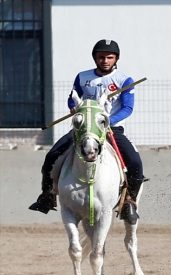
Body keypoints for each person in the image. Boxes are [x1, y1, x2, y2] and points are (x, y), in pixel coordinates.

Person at [29, 39, 144, 225]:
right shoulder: (82, 77)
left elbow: (127, 108)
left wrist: (107, 122)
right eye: (101, 57)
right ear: (95, 58)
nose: (105, 60)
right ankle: (47, 196)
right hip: (83, 129)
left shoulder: (125, 80)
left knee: (135, 162)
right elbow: (72, 99)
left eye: (109, 57)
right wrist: (73, 108)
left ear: (116, 59)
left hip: (111, 129)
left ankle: (129, 201)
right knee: (51, 156)